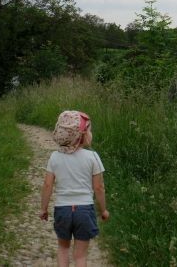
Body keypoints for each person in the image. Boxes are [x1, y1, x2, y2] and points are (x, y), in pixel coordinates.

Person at [40, 110, 110, 267]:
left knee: (63, 248)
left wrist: (43, 209)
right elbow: (98, 187)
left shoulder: (55, 157)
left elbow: (47, 185)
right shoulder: (92, 157)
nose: (90, 133)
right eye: (89, 130)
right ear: (82, 135)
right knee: (80, 256)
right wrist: (103, 210)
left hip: (62, 210)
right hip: (84, 210)